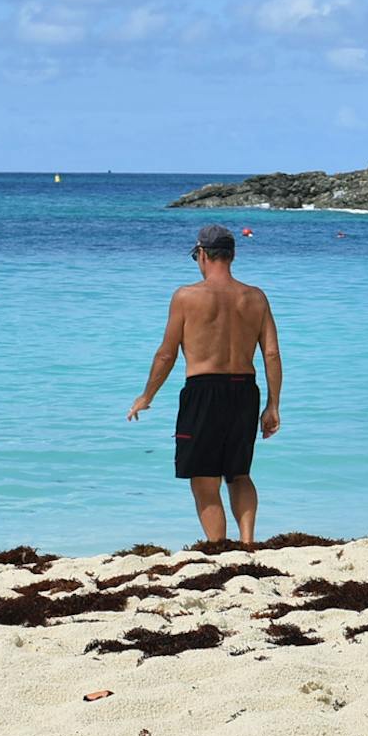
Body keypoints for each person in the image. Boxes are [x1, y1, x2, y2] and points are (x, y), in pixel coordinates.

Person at [126, 223, 282, 546]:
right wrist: (273, 404)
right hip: (245, 389)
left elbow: (167, 354)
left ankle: (219, 548)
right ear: (232, 255)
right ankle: (249, 543)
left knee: (204, 479)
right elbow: (271, 353)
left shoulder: (186, 297)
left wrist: (147, 395)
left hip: (203, 391)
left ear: (202, 254)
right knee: (239, 474)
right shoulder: (255, 297)